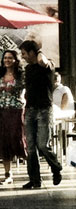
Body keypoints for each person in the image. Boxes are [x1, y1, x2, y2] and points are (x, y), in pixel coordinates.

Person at [19, 40, 62, 189]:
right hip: (30, 109)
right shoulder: (29, 69)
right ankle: (34, 179)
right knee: (30, 146)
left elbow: (42, 61)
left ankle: (55, 167)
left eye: (24, 53)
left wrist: (38, 50)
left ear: (32, 53)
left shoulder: (47, 65)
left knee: (43, 144)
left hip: (44, 109)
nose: (22, 56)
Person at [0, 49, 26, 185]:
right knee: (4, 143)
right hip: (2, 112)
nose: (7, 60)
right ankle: (8, 174)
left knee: (18, 141)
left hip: (16, 111)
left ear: (16, 60)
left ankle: (32, 171)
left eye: (10, 58)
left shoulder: (21, 75)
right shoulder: (0, 75)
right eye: (5, 58)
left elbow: (26, 90)